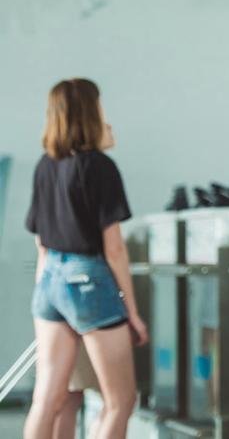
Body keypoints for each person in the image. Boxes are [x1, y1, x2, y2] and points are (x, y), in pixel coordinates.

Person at [24, 78, 149, 439]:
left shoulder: (44, 166)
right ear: (90, 111)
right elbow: (114, 249)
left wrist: (44, 297)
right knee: (120, 401)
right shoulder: (100, 167)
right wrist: (132, 312)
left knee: (46, 400)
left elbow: (41, 244)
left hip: (49, 282)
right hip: (88, 279)